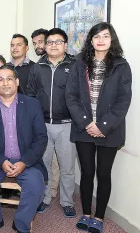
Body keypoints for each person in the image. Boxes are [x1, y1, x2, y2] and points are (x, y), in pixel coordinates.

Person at [66, 22, 132, 233]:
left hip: (109, 130)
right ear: (90, 40)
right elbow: (71, 96)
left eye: (105, 35)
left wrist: (102, 126)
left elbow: (123, 100)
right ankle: (86, 213)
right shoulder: (79, 63)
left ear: (112, 39)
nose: (101, 40)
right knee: (87, 172)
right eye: (96, 36)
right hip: (83, 128)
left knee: (104, 174)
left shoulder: (121, 65)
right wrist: (87, 123)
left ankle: (99, 217)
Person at [0, 65, 47, 233]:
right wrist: (0, 161)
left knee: (36, 186)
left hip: (26, 160)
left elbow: (40, 138)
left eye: (9, 79)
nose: (5, 83)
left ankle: (21, 223)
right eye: (0, 79)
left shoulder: (32, 105)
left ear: (16, 81)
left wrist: (24, 162)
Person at [27, 28, 77, 217]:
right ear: (45, 45)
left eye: (58, 42)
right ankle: (44, 198)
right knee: (43, 165)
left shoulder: (75, 66)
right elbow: (31, 95)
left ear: (65, 45)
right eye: (50, 42)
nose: (53, 45)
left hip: (67, 124)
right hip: (43, 125)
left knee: (67, 167)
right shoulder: (37, 67)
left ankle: (67, 202)